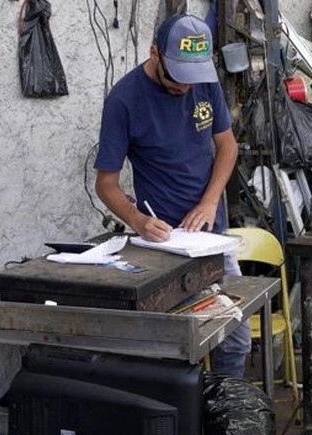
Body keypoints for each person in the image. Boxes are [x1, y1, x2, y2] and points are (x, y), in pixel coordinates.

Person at [93, 14, 250, 376]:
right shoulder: (124, 101)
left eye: (191, 79)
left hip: (211, 238)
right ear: (155, 53)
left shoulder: (204, 82)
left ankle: (222, 420)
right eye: (177, 78)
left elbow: (227, 147)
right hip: (162, 244)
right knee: (172, 346)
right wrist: (136, 220)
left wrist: (210, 201)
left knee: (235, 338)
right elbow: (106, 184)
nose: (184, 88)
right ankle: (180, 425)